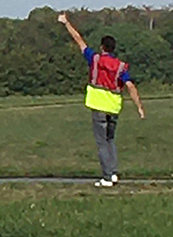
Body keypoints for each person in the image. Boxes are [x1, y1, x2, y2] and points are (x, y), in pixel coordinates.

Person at [58, 12, 145, 187]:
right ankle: (113, 173)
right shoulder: (121, 66)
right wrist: (139, 107)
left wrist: (66, 22)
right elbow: (130, 86)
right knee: (110, 140)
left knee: (101, 143)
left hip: (98, 106)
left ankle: (106, 177)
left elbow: (78, 40)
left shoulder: (95, 59)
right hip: (114, 107)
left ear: (102, 47)